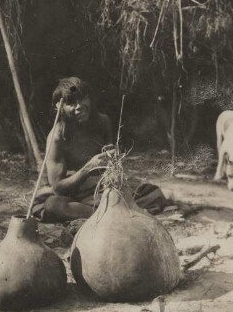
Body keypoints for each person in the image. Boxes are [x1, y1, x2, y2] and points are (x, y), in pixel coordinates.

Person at [32, 77, 169, 223]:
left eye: (82, 99)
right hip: (75, 193)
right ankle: (117, 213)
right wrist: (89, 167)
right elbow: (58, 188)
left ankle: (104, 214)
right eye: (71, 103)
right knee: (53, 205)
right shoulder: (57, 136)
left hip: (102, 188)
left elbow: (111, 163)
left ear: (89, 99)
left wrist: (113, 157)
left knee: (153, 193)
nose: (79, 106)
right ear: (59, 107)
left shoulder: (102, 122)